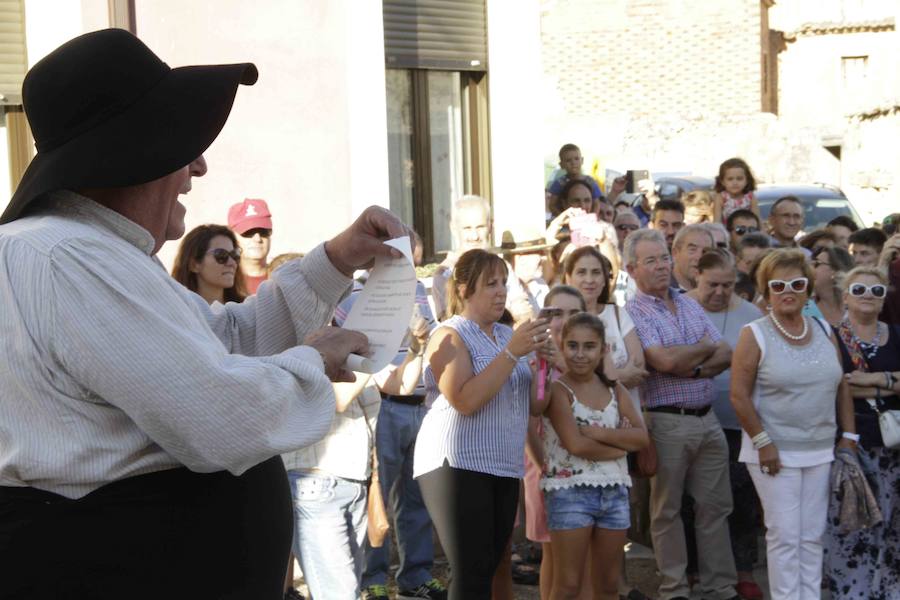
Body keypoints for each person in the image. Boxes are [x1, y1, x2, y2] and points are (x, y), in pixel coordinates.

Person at [0, 29, 412, 600]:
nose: (198, 166)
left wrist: (336, 258)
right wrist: (312, 363)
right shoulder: (67, 256)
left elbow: (227, 340)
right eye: (182, 145)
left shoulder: (91, 252)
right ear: (135, 156)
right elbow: (216, 413)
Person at [414, 249, 548, 599]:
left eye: (504, 282)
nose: (501, 291)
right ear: (463, 289)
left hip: (504, 465)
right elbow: (465, 400)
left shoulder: (507, 336)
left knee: (496, 563)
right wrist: (513, 354)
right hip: (456, 464)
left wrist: (545, 367)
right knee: (472, 569)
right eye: (491, 283)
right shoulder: (449, 334)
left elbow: (535, 404)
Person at [730, 249, 856, 600]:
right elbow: (739, 396)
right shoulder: (753, 334)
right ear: (766, 290)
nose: (788, 290)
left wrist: (848, 435)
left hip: (820, 449)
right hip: (774, 452)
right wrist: (763, 441)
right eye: (778, 284)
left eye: (796, 283)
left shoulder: (821, 328)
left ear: (808, 288)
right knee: (784, 535)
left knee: (812, 535)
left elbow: (840, 383)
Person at [623, 229, 739, 600]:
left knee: (716, 508)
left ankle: (720, 587)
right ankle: (674, 590)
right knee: (666, 511)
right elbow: (663, 360)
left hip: (708, 418)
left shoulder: (687, 302)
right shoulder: (633, 312)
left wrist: (696, 367)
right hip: (666, 420)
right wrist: (700, 350)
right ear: (631, 268)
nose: (661, 266)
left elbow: (724, 353)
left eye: (663, 258)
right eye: (651, 260)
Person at [359, 232, 447, 600]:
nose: (409, 266)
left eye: (415, 259)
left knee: (416, 498)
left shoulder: (425, 292)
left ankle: (415, 575)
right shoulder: (360, 294)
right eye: (402, 258)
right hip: (384, 404)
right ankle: (373, 578)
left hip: (423, 406)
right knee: (376, 493)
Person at [540, 313, 648, 600]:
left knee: (609, 585)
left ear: (603, 350)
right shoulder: (559, 391)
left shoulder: (615, 389)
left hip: (615, 492)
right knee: (568, 585)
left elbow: (642, 437)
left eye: (589, 346)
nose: (580, 354)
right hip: (569, 492)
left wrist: (598, 434)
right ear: (562, 347)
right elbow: (576, 446)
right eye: (572, 345)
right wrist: (622, 446)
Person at [686, 250, 763, 600]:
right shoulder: (680, 307)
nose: (719, 292)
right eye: (712, 284)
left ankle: (743, 569)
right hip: (691, 416)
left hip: (738, 423)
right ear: (695, 277)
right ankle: (694, 571)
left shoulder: (751, 315)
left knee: (740, 499)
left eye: (728, 285)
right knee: (691, 501)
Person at [823, 266, 900, 599]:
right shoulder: (830, 335)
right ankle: (853, 593)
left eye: (876, 291)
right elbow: (831, 386)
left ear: (884, 300)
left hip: (894, 447)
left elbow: (850, 384)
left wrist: (872, 380)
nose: (868, 296)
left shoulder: (896, 334)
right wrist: (892, 384)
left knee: (893, 527)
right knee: (851, 527)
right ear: (844, 297)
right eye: (859, 290)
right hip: (850, 445)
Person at [523, 285, 589, 600]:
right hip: (544, 466)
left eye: (574, 313)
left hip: (587, 466)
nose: (564, 321)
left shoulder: (591, 357)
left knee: (585, 557)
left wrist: (564, 360)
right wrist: (542, 468)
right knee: (553, 554)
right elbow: (528, 419)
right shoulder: (533, 363)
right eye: (556, 313)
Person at [432, 195, 535, 323]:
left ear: (490, 226)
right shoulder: (445, 273)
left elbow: (523, 310)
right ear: (454, 228)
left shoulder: (502, 267)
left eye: (480, 227)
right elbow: (449, 323)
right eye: (467, 228)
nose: (475, 236)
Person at [563, 246, 647, 393]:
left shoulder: (618, 314)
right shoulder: (563, 320)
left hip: (625, 412)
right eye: (581, 272)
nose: (589, 280)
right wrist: (620, 376)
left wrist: (599, 378)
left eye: (596, 272)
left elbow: (639, 367)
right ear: (569, 278)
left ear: (604, 280)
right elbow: (572, 374)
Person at [171, 224, 246, 304]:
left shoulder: (247, 310)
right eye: (221, 255)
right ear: (194, 264)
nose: (232, 263)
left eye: (235, 255)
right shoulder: (177, 309)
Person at [228, 197, 273, 294]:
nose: (257, 239)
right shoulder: (222, 281)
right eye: (248, 232)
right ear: (232, 237)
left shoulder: (284, 280)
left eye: (263, 231)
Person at [546, 143, 604, 215]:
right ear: (561, 165)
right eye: (568, 160)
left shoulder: (590, 182)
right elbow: (552, 205)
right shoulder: (559, 183)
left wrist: (593, 217)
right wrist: (563, 218)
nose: (573, 163)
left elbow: (597, 204)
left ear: (582, 160)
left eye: (576, 159)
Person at [804, 245, 853, 325]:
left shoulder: (857, 308)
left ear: (836, 270)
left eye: (817, 264)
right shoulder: (805, 308)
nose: (811, 269)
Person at [670, 224, 715, 292]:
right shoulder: (658, 292)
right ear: (675, 253)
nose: (699, 257)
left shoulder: (715, 292)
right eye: (692, 249)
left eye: (705, 251)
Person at [713, 158, 758, 223]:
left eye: (739, 179)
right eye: (730, 179)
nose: (735, 183)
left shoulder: (750, 197)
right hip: (727, 232)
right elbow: (717, 221)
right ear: (722, 181)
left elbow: (757, 219)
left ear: (747, 180)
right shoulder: (721, 197)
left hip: (748, 232)